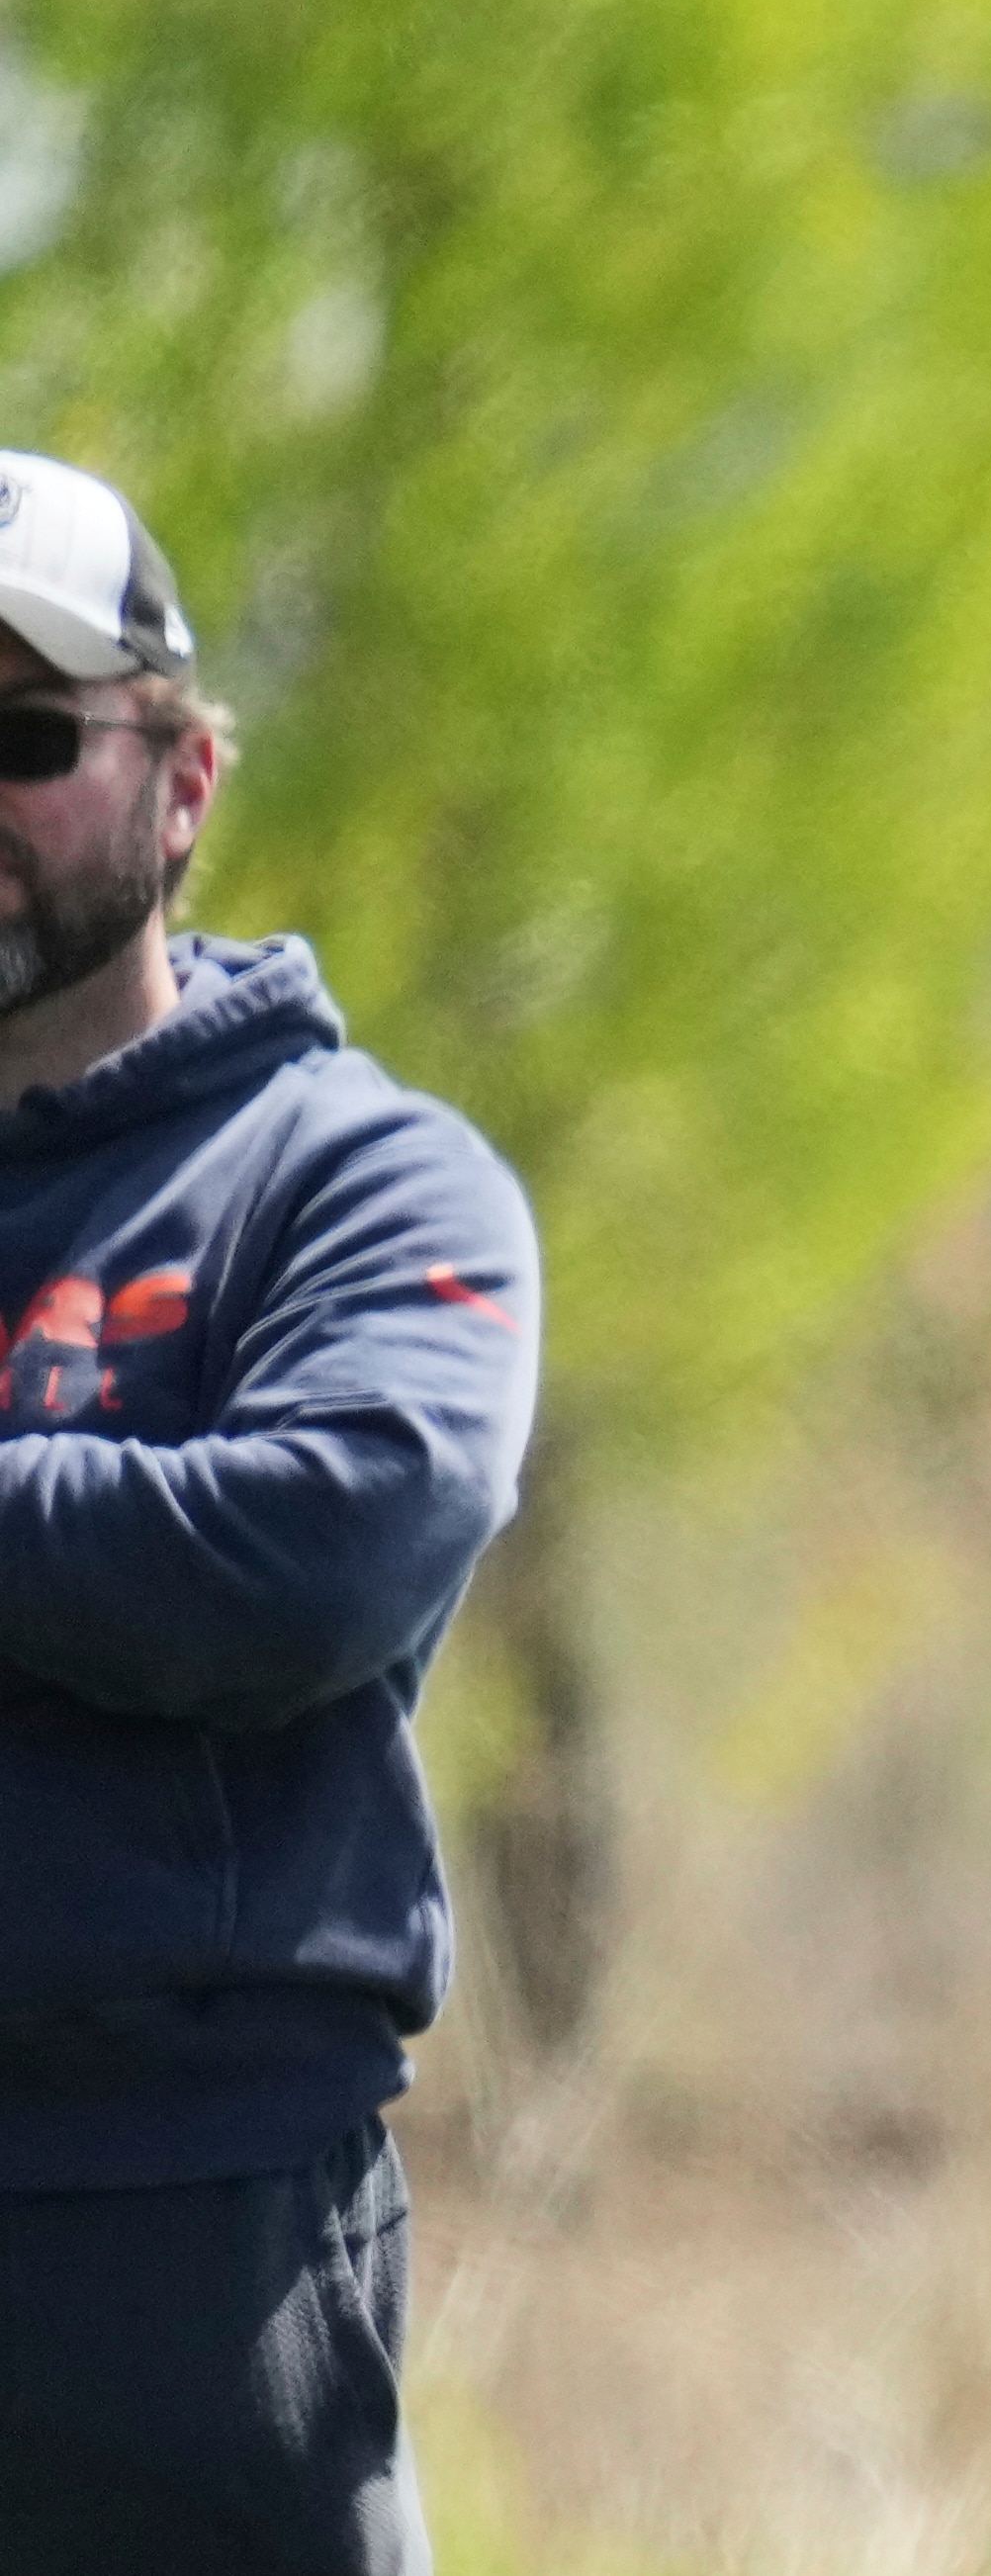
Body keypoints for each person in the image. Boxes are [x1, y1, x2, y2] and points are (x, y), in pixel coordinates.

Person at [0, 450, 543, 2572]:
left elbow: (312, 1552)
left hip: (178, 2246)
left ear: (185, 779)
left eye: (26, 738)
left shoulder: (351, 1183)